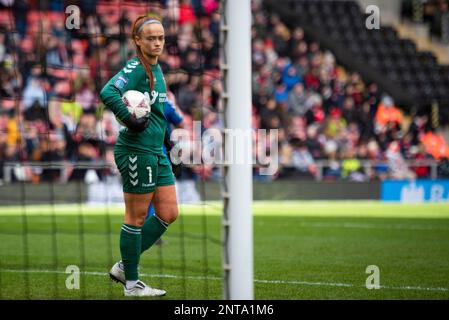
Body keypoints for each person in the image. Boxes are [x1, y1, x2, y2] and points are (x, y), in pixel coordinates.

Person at [99, 15, 179, 297]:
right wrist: (127, 118)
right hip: (135, 149)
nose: (157, 43)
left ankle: (123, 265)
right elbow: (108, 91)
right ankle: (132, 284)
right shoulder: (135, 68)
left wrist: (166, 136)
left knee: (169, 212)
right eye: (151, 38)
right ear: (138, 40)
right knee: (136, 216)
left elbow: (156, 110)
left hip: (156, 150)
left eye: (161, 38)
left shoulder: (157, 70)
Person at [147, 96, 184, 245]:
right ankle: (152, 233)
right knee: (160, 198)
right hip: (161, 154)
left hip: (139, 152)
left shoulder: (139, 99)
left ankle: (140, 230)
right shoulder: (165, 102)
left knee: (145, 194)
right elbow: (181, 122)